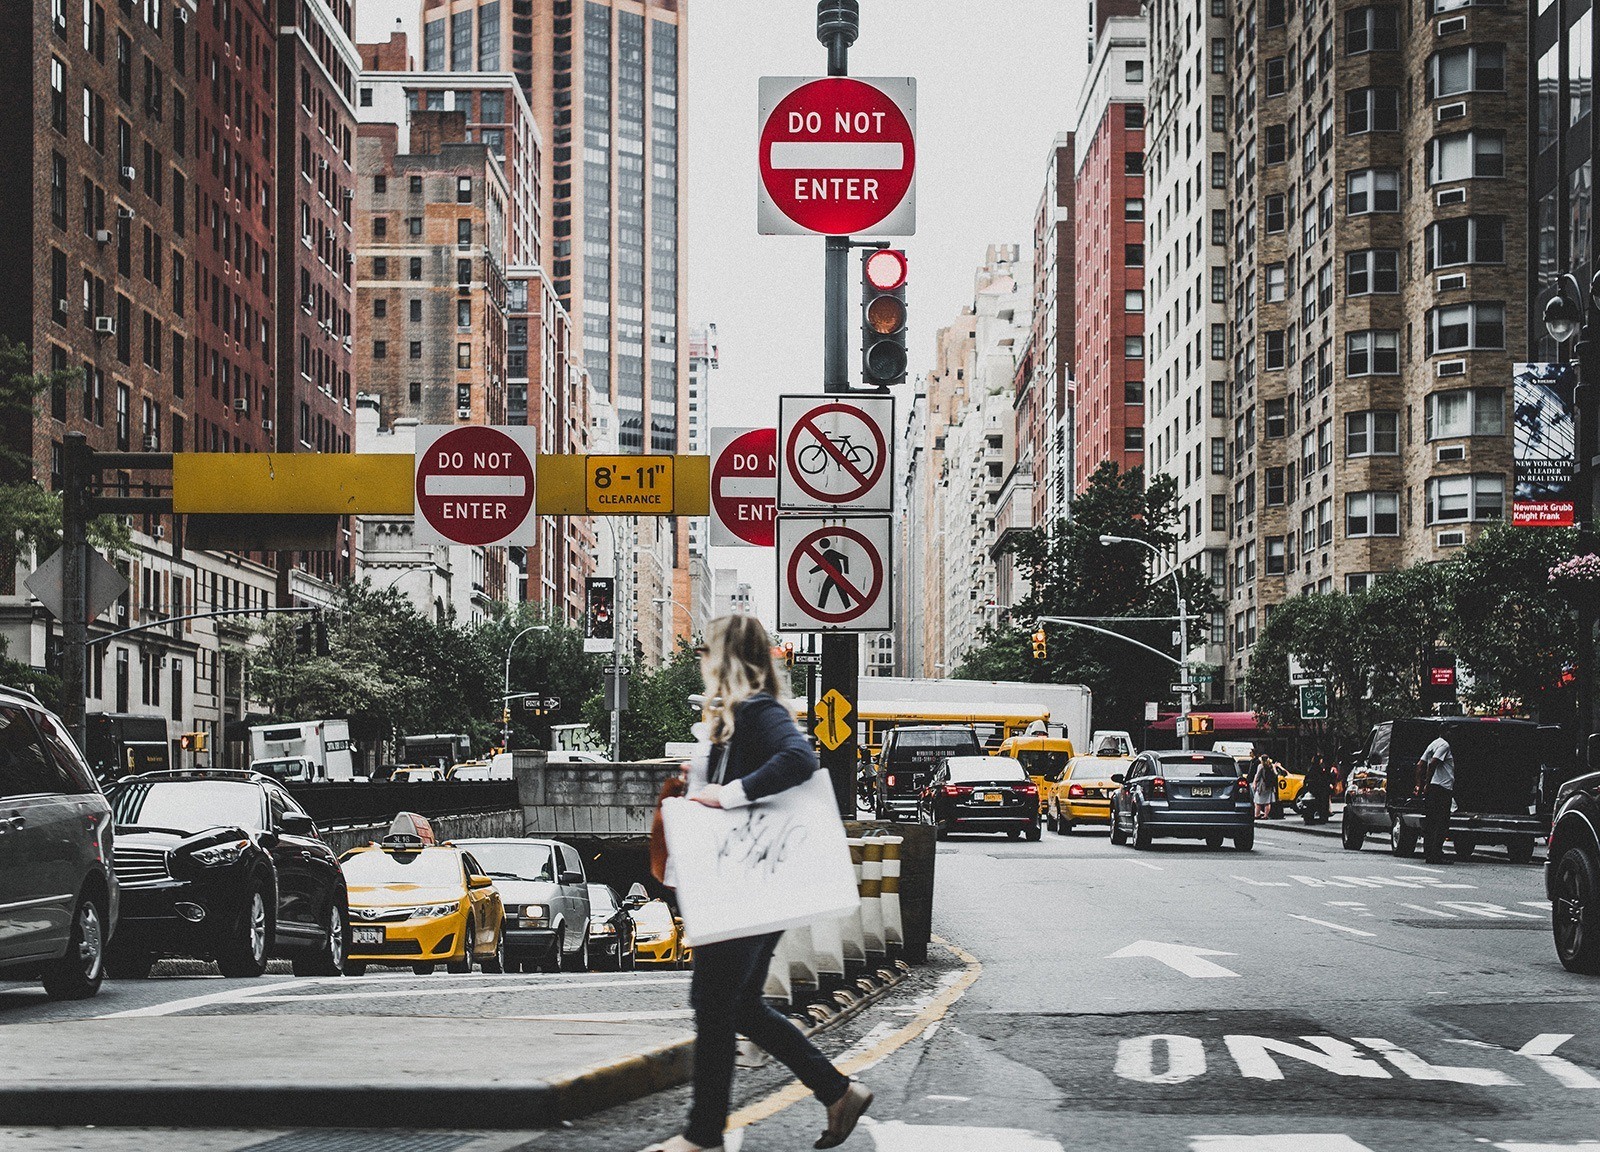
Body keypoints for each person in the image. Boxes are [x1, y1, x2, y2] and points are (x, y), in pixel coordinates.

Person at [645, 614, 872, 1152]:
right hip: (752, 882)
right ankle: (837, 1092)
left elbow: (799, 759)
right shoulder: (736, 718)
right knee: (739, 1003)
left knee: (714, 1001)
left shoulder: (757, 709)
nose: (700, 660)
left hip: (747, 885)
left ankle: (703, 1138)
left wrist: (724, 795)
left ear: (724, 657)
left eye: (706, 651)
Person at [1416, 730, 1456, 864]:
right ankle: (1436, 853)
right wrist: (1427, 783)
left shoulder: (1433, 744)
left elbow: (1420, 764)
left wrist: (1419, 786)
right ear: (1445, 732)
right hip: (1442, 788)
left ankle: (1428, 852)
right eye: (1450, 731)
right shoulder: (1444, 745)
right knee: (1442, 822)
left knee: (1431, 821)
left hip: (1433, 788)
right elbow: (1432, 763)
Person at [1251, 753, 1277, 820]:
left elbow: (1258, 775)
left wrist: (1255, 783)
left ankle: (1257, 814)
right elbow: (1276, 774)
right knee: (1267, 802)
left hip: (1262, 786)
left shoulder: (1261, 766)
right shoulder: (1271, 765)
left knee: (1257, 801)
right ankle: (1265, 815)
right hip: (1269, 786)